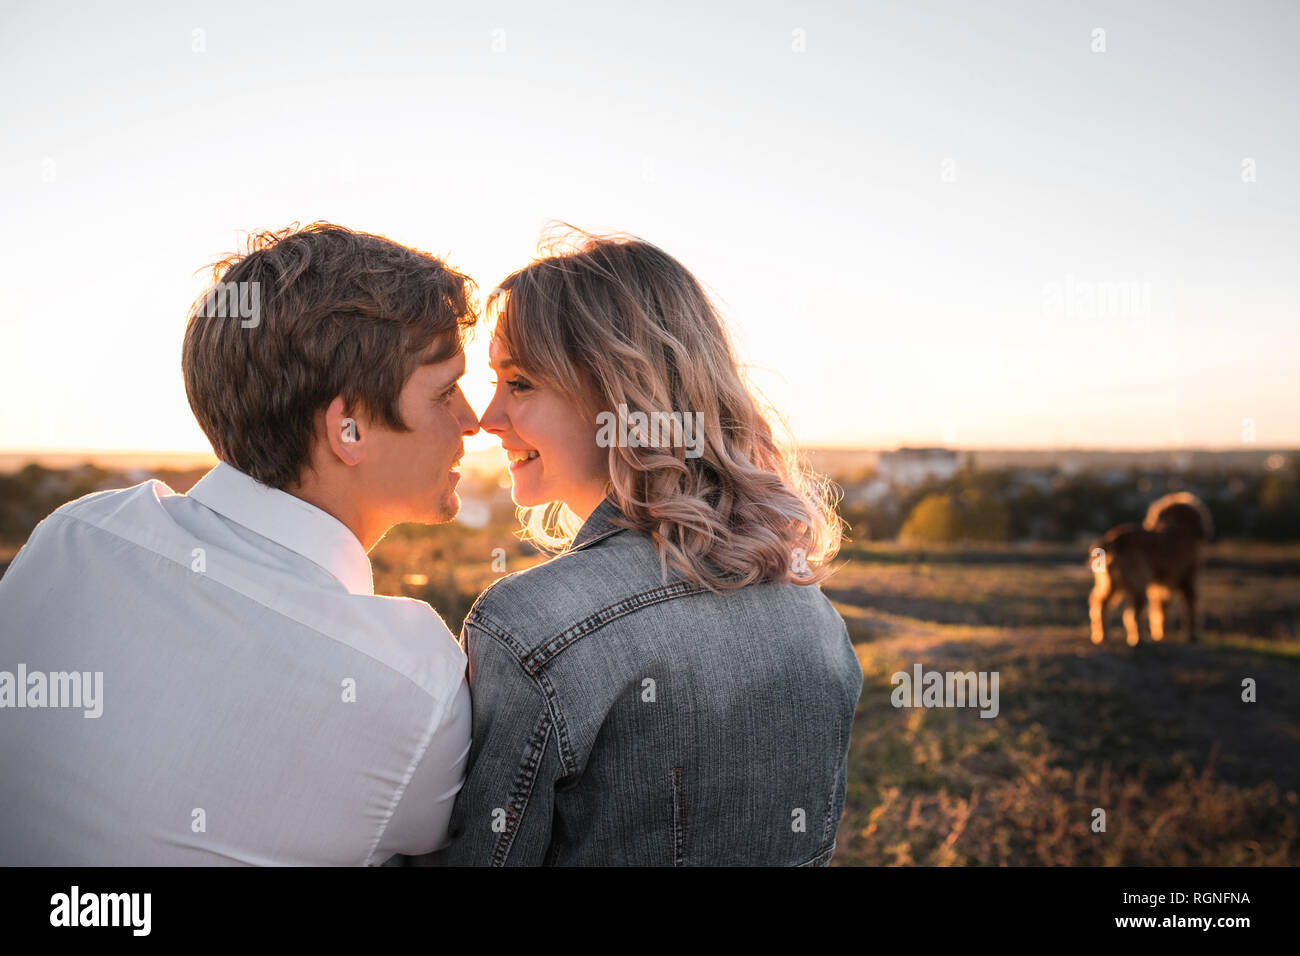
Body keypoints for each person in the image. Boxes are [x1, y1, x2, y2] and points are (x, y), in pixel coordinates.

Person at [0, 222, 479, 865]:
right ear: (350, 429)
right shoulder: (411, 681)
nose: (473, 420)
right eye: (446, 390)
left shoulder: (75, 538)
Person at [425, 227, 863, 866]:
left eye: (518, 383)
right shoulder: (810, 611)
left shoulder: (530, 626)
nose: (488, 418)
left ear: (619, 397)